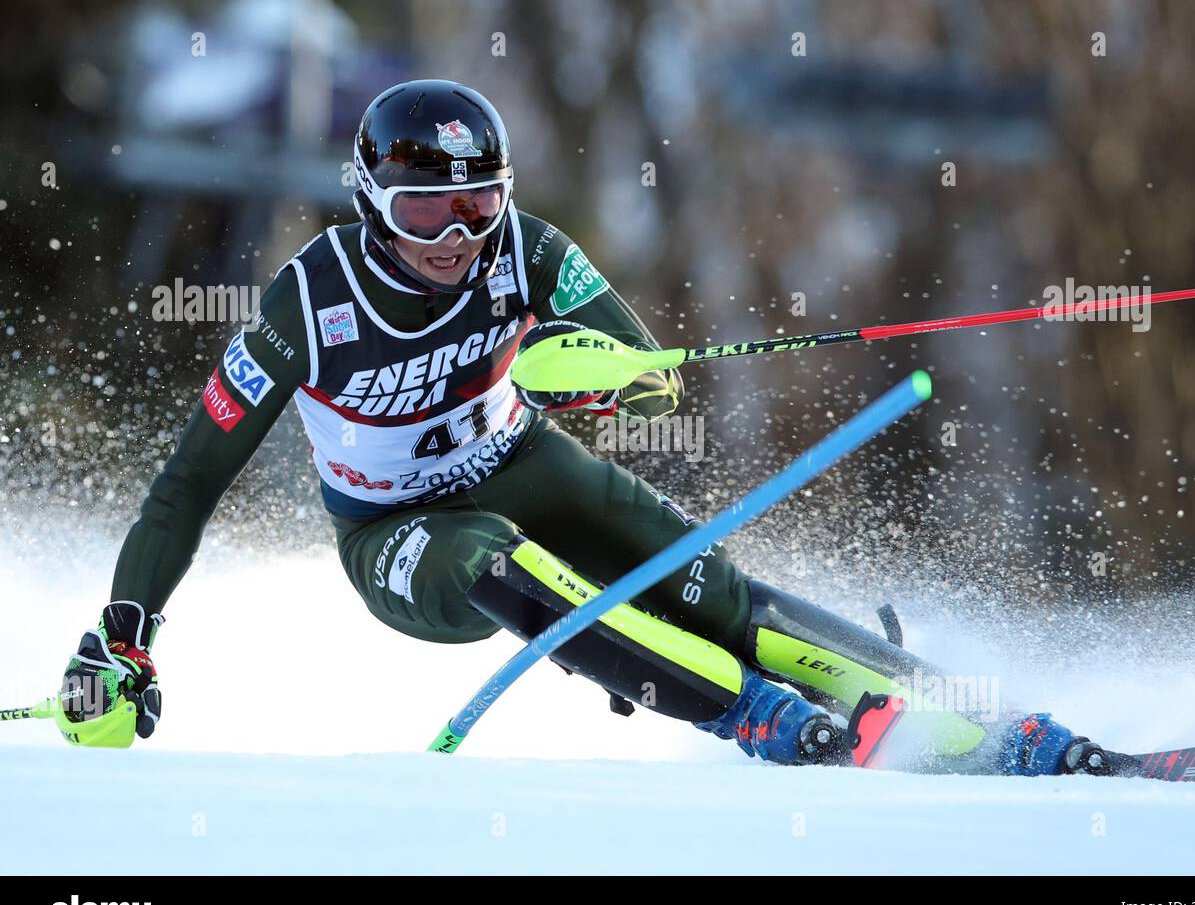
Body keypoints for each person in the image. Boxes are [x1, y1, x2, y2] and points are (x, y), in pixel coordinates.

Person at [58, 80, 1110, 775]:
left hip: (525, 464)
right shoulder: (309, 301)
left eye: (479, 205)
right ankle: (748, 714)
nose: (457, 237)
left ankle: (988, 721)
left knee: (709, 588)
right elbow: (187, 483)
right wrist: (126, 637)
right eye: (428, 211)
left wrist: (598, 386)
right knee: (487, 552)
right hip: (398, 538)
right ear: (373, 201)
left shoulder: (528, 251)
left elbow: (652, 380)